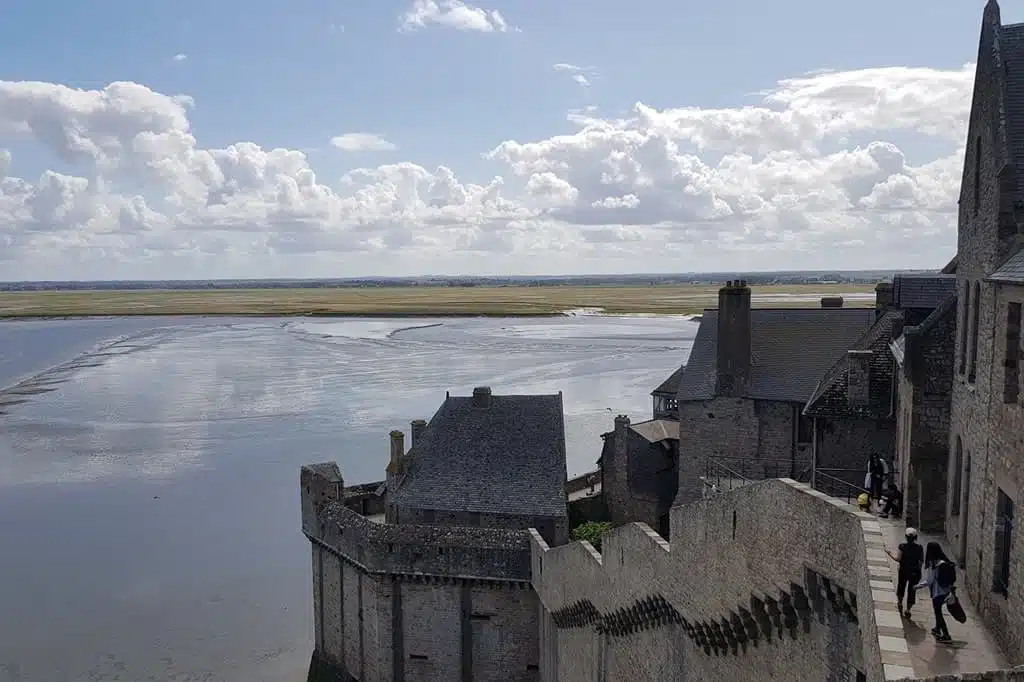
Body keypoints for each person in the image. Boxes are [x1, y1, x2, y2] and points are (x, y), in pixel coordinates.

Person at [917, 541, 956, 642]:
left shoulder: (934, 564)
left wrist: (918, 586)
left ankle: (946, 635)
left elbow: (929, 581)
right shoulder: (944, 562)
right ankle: (937, 628)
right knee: (938, 611)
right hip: (945, 591)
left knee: (938, 613)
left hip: (937, 593)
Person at [885, 528, 923, 617]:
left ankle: (900, 603)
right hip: (914, 572)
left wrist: (889, 553)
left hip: (903, 570)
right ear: (915, 537)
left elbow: (898, 559)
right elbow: (921, 562)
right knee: (912, 590)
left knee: (901, 587)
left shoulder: (902, 546)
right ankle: (908, 610)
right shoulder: (919, 548)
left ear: (906, 537)